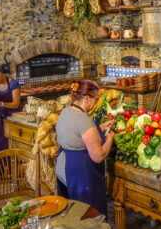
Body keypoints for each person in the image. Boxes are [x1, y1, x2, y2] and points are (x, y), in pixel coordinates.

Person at [56, 80, 114, 218]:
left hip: (65, 168)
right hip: (81, 175)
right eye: (96, 99)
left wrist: (97, 129)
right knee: (88, 215)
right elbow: (98, 156)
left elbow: (76, 135)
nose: (96, 102)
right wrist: (110, 138)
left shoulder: (66, 111)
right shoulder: (83, 120)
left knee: (72, 212)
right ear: (87, 98)